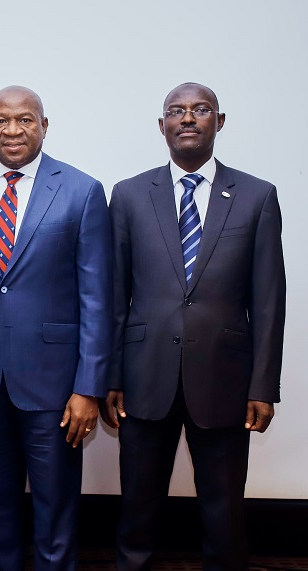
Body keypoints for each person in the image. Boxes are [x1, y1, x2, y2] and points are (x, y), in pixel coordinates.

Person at [100, 82, 286, 571]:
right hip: (144, 377)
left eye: (200, 110)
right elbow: (115, 296)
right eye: (175, 111)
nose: (187, 118)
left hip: (225, 379)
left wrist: (263, 385)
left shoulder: (256, 196)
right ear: (161, 125)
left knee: (224, 513)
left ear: (218, 122)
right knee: (137, 510)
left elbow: (268, 302)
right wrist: (112, 375)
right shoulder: (129, 195)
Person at [0, 86, 112, 570]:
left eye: (24, 120)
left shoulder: (82, 190)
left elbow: (97, 298)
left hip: (57, 389)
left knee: (55, 513)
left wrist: (88, 388)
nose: (12, 130)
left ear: (44, 125)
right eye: (1, 120)